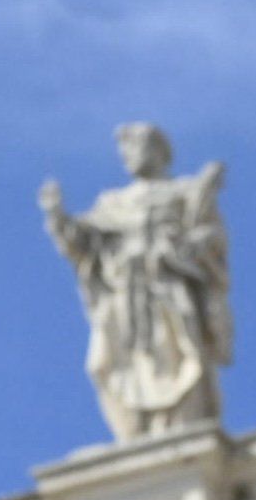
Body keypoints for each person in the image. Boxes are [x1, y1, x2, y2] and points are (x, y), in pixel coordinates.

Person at [39, 123, 231, 443]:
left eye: (134, 147)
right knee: (110, 363)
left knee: (177, 352)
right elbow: (82, 242)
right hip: (124, 296)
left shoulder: (183, 192)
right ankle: (136, 431)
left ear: (157, 151)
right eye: (123, 151)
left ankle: (180, 425)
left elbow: (211, 239)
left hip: (166, 288)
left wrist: (184, 240)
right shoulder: (113, 202)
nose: (127, 156)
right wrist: (57, 216)